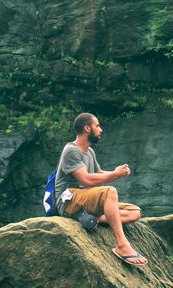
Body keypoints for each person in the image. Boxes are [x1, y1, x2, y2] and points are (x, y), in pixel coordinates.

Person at [54, 113, 148, 266]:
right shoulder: (71, 150)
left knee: (135, 212)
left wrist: (117, 173)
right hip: (68, 200)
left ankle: (92, 218)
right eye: (97, 126)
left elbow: (98, 173)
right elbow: (85, 179)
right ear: (86, 128)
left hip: (84, 199)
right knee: (110, 192)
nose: (100, 129)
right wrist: (114, 176)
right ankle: (122, 246)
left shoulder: (89, 152)